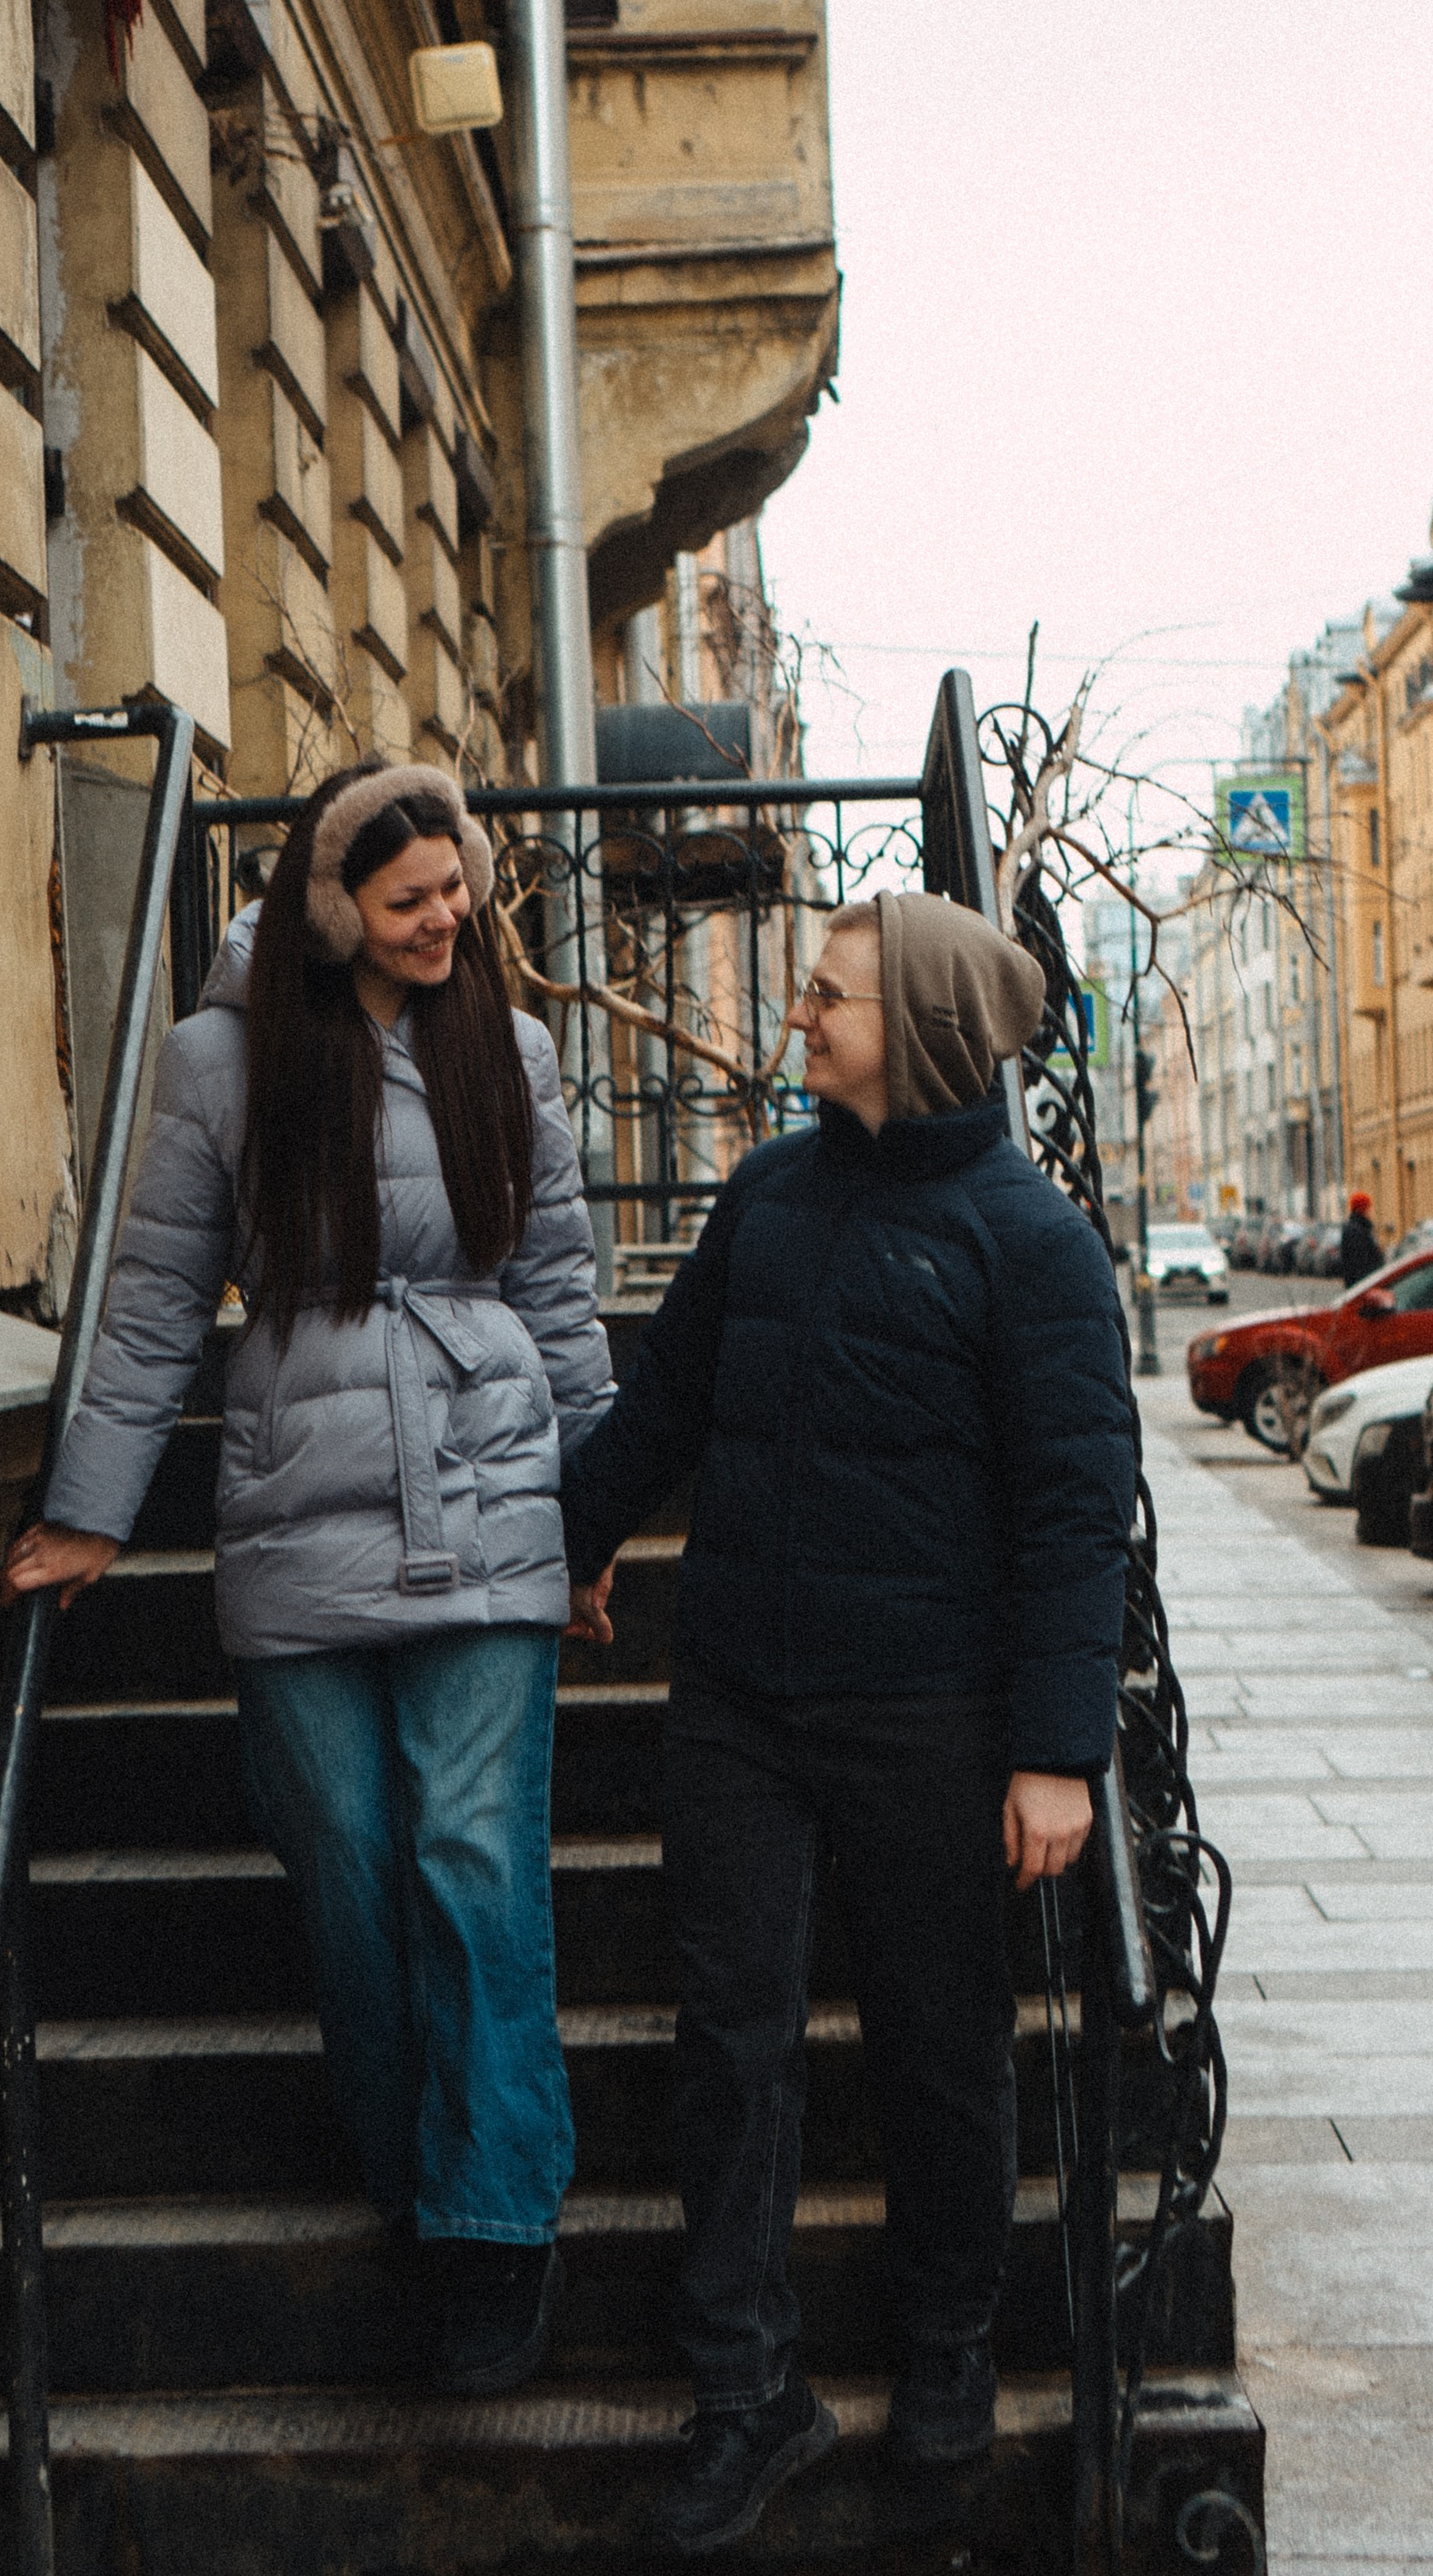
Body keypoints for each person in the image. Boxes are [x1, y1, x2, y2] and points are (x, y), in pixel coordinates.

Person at [2, 761, 613, 2395]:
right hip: (292, 1507)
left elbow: (560, 1294)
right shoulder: (221, 1063)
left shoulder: (515, 1047)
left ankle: (490, 2227)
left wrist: (597, 1517)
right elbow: (147, 1302)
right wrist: (95, 1511)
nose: (448, 918)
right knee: (347, 1865)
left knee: (469, 1856)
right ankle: (418, 2166)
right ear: (333, 907)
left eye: (457, 890)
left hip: (484, 1497)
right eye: (411, 898)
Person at [560, 893, 1136, 2554]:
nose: (796, 1017)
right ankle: (746, 2395)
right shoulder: (767, 1193)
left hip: (932, 1716)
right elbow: (665, 1396)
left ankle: (945, 2358)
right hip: (738, 1695)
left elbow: (1070, 1508)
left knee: (940, 2051)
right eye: (805, 989)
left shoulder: (1027, 1244)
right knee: (728, 2045)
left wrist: (1054, 1749)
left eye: (828, 996)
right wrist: (576, 1532)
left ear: (924, 1031)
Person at [1338, 1190, 1384, 1287]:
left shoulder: (1360, 1228)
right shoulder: (1357, 1230)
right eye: (1367, 1207)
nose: (1370, 1211)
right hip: (1363, 1286)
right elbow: (1359, 1262)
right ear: (1361, 1209)